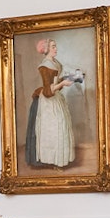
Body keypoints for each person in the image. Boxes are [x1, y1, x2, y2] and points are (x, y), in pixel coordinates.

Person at [24, 38, 75, 168]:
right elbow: (48, 91)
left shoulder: (55, 62)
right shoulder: (44, 66)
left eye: (55, 46)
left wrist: (69, 78)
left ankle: (59, 160)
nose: (55, 49)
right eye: (53, 47)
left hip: (56, 98)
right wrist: (63, 83)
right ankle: (52, 161)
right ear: (46, 49)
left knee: (62, 126)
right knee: (53, 129)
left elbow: (55, 84)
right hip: (48, 102)